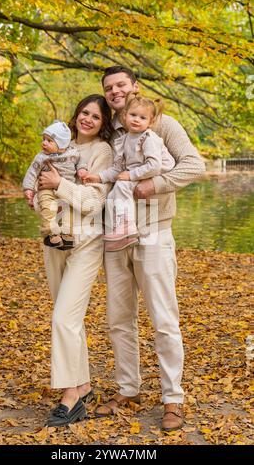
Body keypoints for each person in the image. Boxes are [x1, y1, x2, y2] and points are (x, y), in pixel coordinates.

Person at [95, 66, 206, 431]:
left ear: (134, 86)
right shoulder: (110, 131)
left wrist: (154, 185)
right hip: (115, 236)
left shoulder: (163, 125)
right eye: (109, 87)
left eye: (121, 84)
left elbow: (194, 165)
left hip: (154, 232)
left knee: (163, 319)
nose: (115, 91)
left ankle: (172, 397)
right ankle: (128, 388)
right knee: (119, 318)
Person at [35, 94, 113, 427]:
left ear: (103, 123)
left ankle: (71, 397)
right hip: (53, 243)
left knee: (63, 318)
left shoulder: (102, 152)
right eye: (84, 112)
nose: (88, 119)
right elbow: (40, 183)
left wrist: (60, 183)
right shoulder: (55, 145)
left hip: (85, 242)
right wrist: (38, 196)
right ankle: (83, 382)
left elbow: (94, 204)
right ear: (76, 113)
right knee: (70, 320)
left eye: (96, 117)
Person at [85, 92, 175, 247]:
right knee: (112, 195)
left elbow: (154, 165)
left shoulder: (148, 138)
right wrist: (99, 177)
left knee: (122, 185)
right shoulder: (124, 140)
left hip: (159, 172)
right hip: (142, 172)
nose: (136, 120)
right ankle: (122, 231)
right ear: (125, 115)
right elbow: (118, 169)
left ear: (150, 122)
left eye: (142, 118)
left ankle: (127, 226)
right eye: (133, 115)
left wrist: (131, 175)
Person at [23, 120, 88, 249]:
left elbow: (81, 160)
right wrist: (28, 188)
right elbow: (32, 172)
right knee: (48, 209)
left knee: (68, 211)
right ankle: (50, 234)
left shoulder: (73, 153)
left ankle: (67, 234)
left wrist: (82, 169)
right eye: (44, 139)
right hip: (46, 189)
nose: (44, 143)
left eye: (49, 141)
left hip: (66, 188)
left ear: (62, 144)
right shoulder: (41, 157)